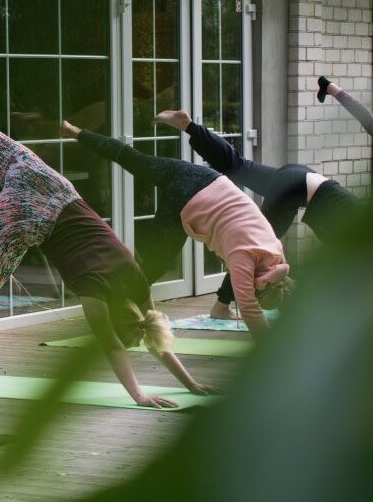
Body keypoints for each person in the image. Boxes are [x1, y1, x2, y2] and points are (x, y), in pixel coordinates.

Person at [0, 31, 218, 404]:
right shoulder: (95, 295)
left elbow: (153, 332)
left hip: (47, 182)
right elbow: (114, 347)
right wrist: (139, 396)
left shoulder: (137, 284)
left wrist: (191, 384)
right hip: (27, 218)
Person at [59, 120, 294, 339]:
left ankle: (75, 131)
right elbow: (249, 307)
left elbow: (279, 288)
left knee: (135, 160)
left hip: (206, 178)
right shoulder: (244, 257)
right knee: (154, 265)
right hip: (187, 199)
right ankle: (118, 315)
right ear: (260, 287)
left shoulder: (275, 251)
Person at [150, 110, 358, 320]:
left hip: (300, 177)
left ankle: (188, 126)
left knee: (238, 166)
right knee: (252, 246)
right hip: (293, 190)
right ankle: (221, 306)